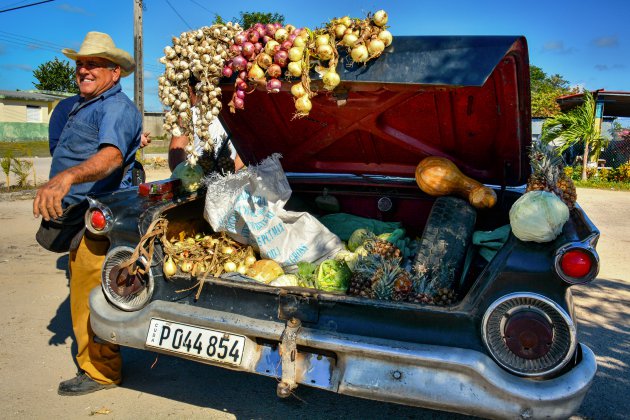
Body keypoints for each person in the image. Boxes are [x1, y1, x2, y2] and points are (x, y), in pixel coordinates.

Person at [33, 31, 142, 396]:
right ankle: (99, 360)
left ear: (116, 72)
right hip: (80, 213)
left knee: (92, 294)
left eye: (93, 63)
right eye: (80, 63)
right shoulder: (81, 104)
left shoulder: (117, 108)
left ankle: (101, 371)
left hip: (104, 216)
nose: (83, 70)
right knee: (86, 291)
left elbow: (111, 157)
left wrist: (67, 177)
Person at [168, 75, 244, 172]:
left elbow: (175, 161)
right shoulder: (234, 114)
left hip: (206, 179)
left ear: (190, 90)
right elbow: (176, 160)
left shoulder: (188, 115)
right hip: (206, 179)